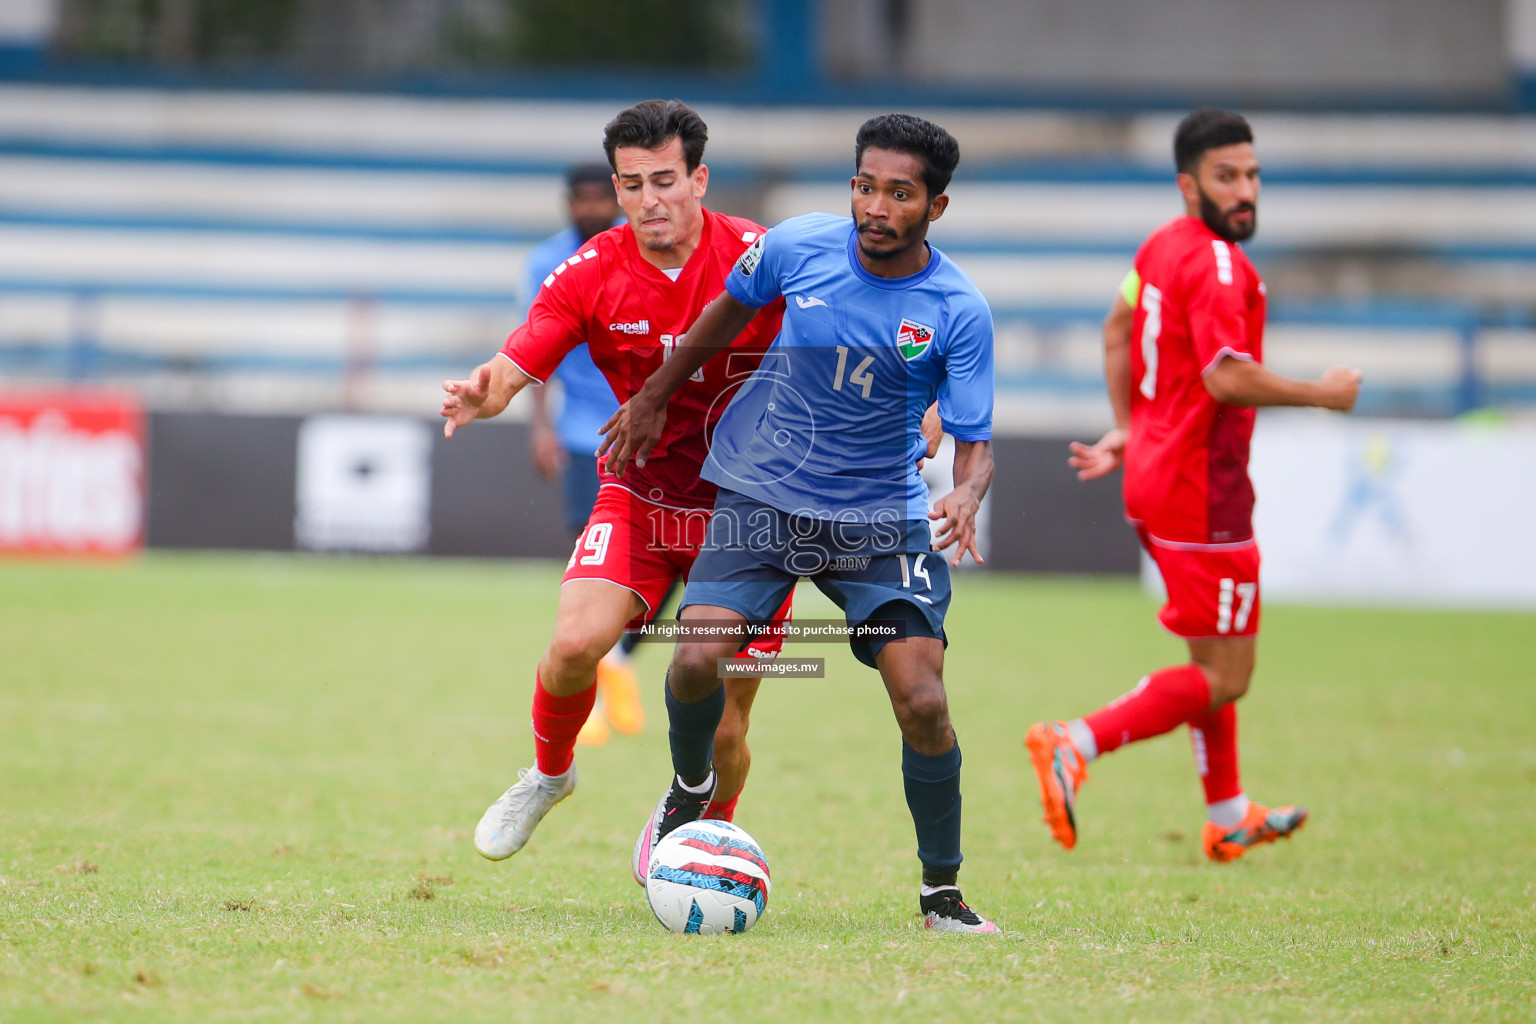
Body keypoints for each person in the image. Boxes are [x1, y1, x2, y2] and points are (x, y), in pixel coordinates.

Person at [601, 113, 999, 933]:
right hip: (762, 494)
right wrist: (654, 395)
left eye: (899, 193)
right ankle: (691, 791)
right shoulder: (798, 246)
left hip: (880, 518)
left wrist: (965, 495)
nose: (875, 207)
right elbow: (726, 310)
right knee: (695, 657)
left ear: (937, 206)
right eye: (864, 186)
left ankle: (942, 894)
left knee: (923, 698)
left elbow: (975, 443)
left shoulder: (959, 309)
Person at [440, 100, 791, 864]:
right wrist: (486, 391)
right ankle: (548, 775)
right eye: (631, 184)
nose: (648, 200)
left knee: (726, 725)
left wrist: (918, 404)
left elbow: (851, 328)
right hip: (640, 493)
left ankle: (697, 828)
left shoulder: (763, 258)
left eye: (665, 180)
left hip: (750, 516)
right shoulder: (593, 271)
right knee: (572, 647)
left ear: (698, 179)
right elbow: (519, 359)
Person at [1025, 109, 1361, 862]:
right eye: (1226, 177)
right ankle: (1075, 742)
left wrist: (1131, 425)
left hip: (1157, 474)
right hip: (1202, 493)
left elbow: (1116, 328)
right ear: (1189, 185)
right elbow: (1225, 375)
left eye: (1252, 176)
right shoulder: (1215, 264)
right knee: (1226, 675)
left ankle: (1228, 811)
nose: (1245, 191)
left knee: (1211, 656)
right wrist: (1323, 394)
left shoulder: (1160, 246)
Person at [522, 162, 645, 745]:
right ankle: (601, 675)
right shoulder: (546, 264)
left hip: (649, 430)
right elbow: (536, 347)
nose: (594, 209)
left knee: (656, 558)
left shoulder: (644, 253)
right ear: (568, 203)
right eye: (583, 199)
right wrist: (539, 427)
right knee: (589, 558)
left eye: (604, 198)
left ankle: (615, 658)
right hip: (581, 434)